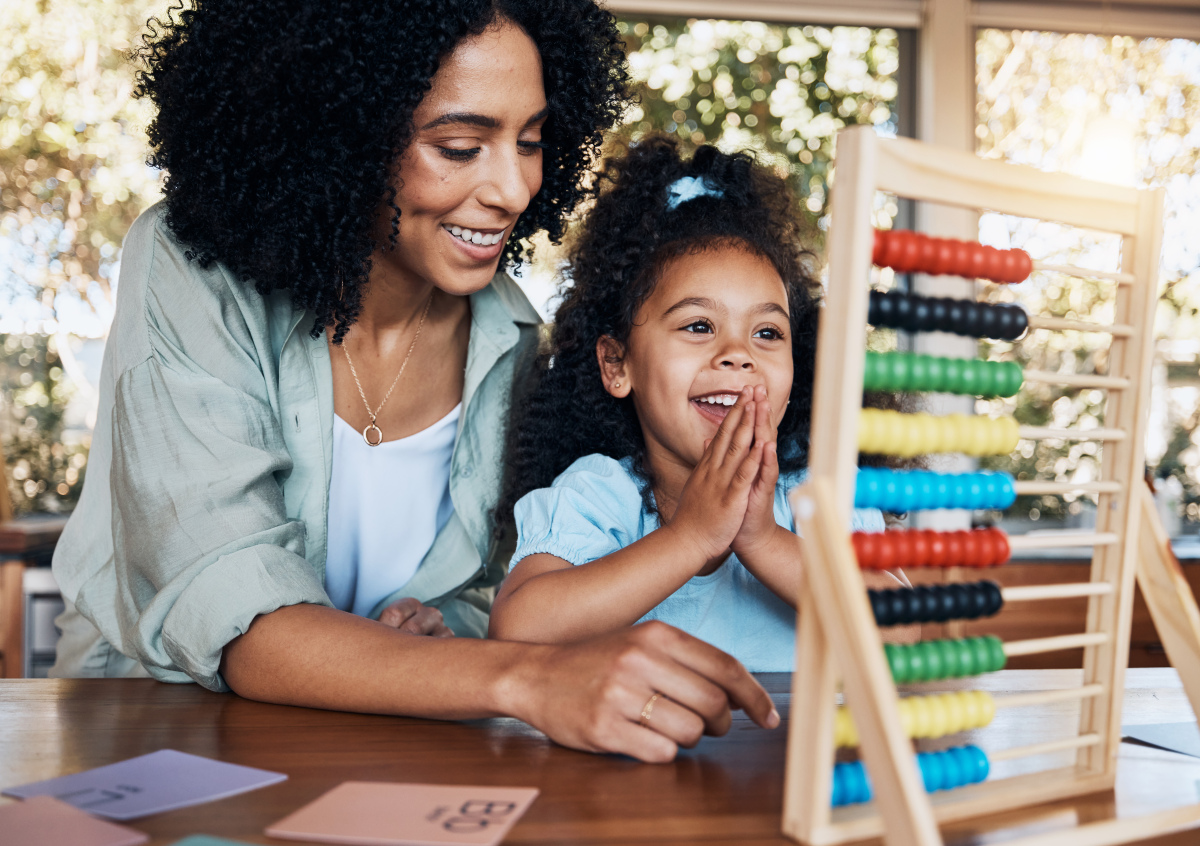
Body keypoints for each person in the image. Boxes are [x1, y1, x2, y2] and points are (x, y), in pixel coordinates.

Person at [49, 1, 777, 763]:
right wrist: (527, 678)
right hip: (153, 735)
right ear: (340, 138)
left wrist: (441, 632)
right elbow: (232, 608)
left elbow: (489, 588)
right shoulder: (189, 270)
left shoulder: (513, 338)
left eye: (530, 142)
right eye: (461, 146)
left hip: (384, 743)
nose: (514, 189)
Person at [490, 138, 905, 670]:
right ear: (618, 365)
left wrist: (763, 539)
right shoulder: (602, 496)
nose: (737, 355)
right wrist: (692, 538)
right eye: (699, 326)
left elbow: (905, 631)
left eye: (767, 333)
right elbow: (518, 630)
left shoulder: (821, 494)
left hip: (794, 755)